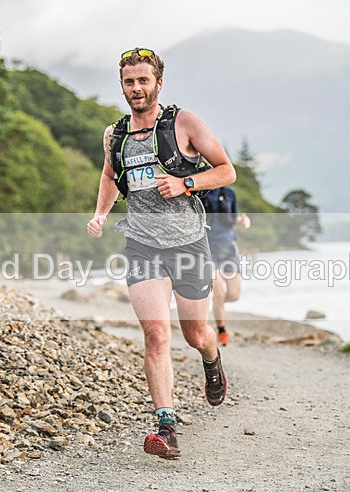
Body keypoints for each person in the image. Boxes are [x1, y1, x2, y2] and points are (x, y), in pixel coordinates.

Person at [86, 47, 236, 459]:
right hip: (142, 245)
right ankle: (166, 427)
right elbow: (110, 175)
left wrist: (186, 184)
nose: (136, 88)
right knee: (156, 334)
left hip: (189, 243)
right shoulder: (114, 135)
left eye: (143, 81)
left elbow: (227, 170)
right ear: (123, 86)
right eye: (129, 82)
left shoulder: (183, 123)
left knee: (194, 334)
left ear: (158, 84)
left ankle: (212, 357)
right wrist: (100, 213)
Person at [202, 186, 251, 346]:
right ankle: (222, 330)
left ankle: (217, 305)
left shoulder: (230, 192)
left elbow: (234, 216)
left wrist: (243, 221)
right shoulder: (200, 190)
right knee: (219, 293)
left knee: (234, 295)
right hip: (208, 248)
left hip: (229, 247)